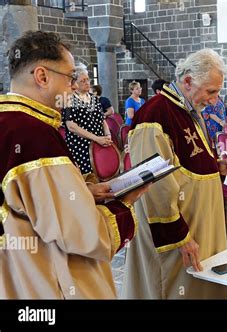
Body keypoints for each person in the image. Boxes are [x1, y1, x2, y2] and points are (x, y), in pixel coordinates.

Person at [0, 31, 148, 299]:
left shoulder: (8, 122)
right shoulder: (30, 134)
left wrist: (82, 191)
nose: (74, 86)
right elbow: (82, 233)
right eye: (70, 77)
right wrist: (123, 204)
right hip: (44, 278)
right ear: (42, 77)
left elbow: (25, 205)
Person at [122, 49, 227, 299]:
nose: (215, 100)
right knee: (173, 289)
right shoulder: (155, 116)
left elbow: (186, 165)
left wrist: (217, 166)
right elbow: (153, 186)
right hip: (179, 236)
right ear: (187, 81)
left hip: (200, 228)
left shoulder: (185, 109)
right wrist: (179, 237)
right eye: (211, 91)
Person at [63, 66, 113, 174]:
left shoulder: (94, 98)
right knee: (88, 180)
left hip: (99, 143)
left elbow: (102, 119)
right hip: (81, 147)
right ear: (74, 84)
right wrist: (96, 138)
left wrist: (108, 135)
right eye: (82, 81)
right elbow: (71, 126)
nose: (87, 83)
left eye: (87, 79)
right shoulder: (69, 99)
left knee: (101, 175)